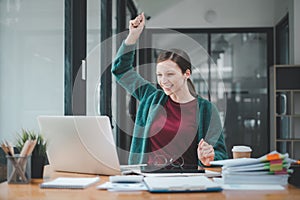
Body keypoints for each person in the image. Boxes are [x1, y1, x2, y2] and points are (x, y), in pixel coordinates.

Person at [112, 13, 227, 168]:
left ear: (186, 74)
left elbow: (220, 154)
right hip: (148, 177)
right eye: (159, 75)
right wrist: (132, 36)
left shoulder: (207, 110)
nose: (163, 80)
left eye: (170, 74)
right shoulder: (151, 97)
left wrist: (209, 156)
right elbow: (121, 70)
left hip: (188, 180)